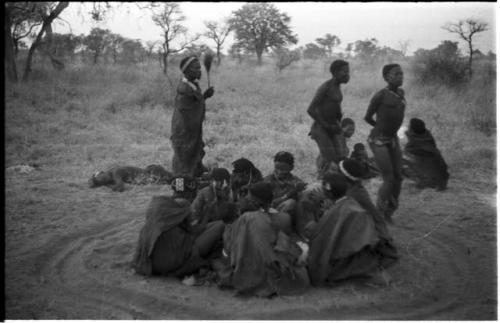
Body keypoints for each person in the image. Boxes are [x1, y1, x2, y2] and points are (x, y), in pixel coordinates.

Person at [217, 182, 310, 297]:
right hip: (275, 266)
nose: (245, 198)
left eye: (248, 196)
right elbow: (286, 244)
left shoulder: (244, 219)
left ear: (254, 202)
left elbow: (231, 248)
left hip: (250, 269)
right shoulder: (284, 218)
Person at [306, 172, 398, 286]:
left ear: (327, 192)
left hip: (346, 256)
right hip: (359, 249)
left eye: (323, 189)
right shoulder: (349, 202)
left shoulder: (339, 210)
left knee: (310, 227)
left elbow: (326, 235)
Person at [132, 176, 225, 278]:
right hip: (172, 260)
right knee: (220, 225)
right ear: (189, 190)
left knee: (212, 226)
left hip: (151, 261)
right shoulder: (184, 204)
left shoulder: (159, 203)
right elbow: (195, 231)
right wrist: (208, 211)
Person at [364, 63, 406, 222]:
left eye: (401, 74)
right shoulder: (380, 95)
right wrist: (381, 129)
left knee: (398, 177)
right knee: (389, 179)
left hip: (393, 139)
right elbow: (367, 117)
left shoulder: (401, 93)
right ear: (386, 77)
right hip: (378, 140)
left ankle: (388, 212)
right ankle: (378, 215)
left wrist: (391, 132)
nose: (400, 76)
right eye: (396, 74)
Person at [170, 55, 215, 178]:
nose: (199, 71)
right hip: (184, 128)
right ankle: (180, 186)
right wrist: (203, 99)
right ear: (187, 70)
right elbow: (187, 110)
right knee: (184, 156)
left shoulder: (192, 84)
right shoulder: (184, 88)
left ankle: (196, 171)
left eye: (199, 68)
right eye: (196, 69)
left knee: (196, 149)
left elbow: (195, 103)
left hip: (191, 127)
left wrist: (204, 96)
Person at [307, 59, 351, 179]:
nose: (348, 75)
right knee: (331, 161)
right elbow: (310, 109)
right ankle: (322, 185)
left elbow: (334, 105)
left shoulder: (337, 87)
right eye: (345, 72)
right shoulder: (325, 87)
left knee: (341, 157)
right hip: (321, 128)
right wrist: (326, 125)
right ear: (335, 72)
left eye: (348, 72)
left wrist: (338, 122)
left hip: (333, 126)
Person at [402, 118, 449, 190]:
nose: (408, 127)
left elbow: (407, 152)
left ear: (412, 129)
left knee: (398, 161)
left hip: (432, 183)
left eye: (409, 126)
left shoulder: (414, 145)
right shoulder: (428, 137)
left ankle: (422, 182)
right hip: (442, 181)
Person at [263, 151, 307, 228]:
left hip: (291, 217)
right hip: (271, 215)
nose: (279, 172)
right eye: (277, 168)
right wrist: (289, 194)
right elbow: (268, 204)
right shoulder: (267, 181)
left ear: (291, 168)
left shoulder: (296, 181)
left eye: (284, 169)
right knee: (290, 203)